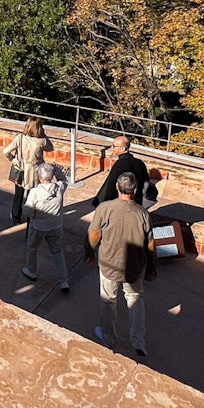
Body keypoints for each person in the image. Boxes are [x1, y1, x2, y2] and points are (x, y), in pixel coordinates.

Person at [86, 172, 157, 357]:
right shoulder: (143, 213)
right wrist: (151, 267)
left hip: (109, 264)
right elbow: (150, 244)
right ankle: (138, 341)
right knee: (135, 298)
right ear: (134, 190)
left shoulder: (105, 208)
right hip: (135, 266)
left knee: (108, 300)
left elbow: (94, 234)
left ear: (117, 187)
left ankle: (108, 337)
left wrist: (90, 253)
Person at [21, 162, 71, 292]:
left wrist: (33, 217)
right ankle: (64, 280)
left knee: (32, 247)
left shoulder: (35, 192)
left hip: (38, 226)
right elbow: (64, 180)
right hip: (56, 225)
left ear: (40, 177)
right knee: (57, 251)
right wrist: (56, 170)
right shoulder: (59, 188)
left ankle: (31, 270)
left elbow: (28, 210)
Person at [3, 116, 51, 223]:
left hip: (21, 170)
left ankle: (16, 216)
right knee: (32, 197)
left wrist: (14, 160)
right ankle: (30, 220)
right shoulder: (41, 141)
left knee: (18, 195)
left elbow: (6, 151)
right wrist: (44, 135)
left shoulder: (20, 138)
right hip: (34, 173)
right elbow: (50, 148)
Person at [91, 136, 157, 208]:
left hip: (122, 203)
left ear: (122, 148)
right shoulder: (140, 162)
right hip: (137, 202)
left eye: (114, 146)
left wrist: (105, 204)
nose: (112, 148)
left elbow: (111, 187)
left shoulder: (120, 164)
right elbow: (146, 182)